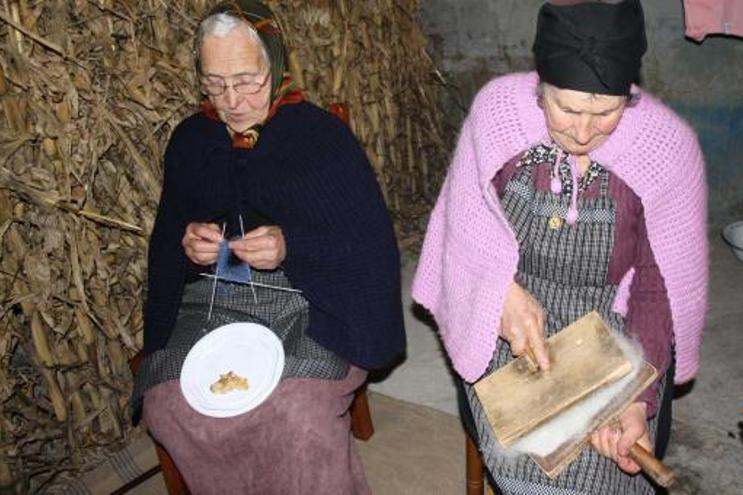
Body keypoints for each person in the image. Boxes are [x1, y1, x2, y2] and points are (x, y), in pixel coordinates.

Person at [413, 0, 708, 493]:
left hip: (610, 323)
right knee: (530, 467)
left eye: (605, 112)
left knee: (606, 472)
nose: (584, 130)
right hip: (505, 314)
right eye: (567, 108)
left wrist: (637, 399)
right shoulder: (497, 111)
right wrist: (499, 293)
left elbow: (659, 290)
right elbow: (462, 229)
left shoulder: (668, 147)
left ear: (628, 96)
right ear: (539, 85)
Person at [130, 1, 405, 493]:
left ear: (274, 66)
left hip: (313, 301)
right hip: (216, 302)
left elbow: (368, 248)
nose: (232, 99)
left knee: (296, 413)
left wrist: (290, 246)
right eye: (214, 83)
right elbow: (167, 245)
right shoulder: (191, 141)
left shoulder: (321, 139)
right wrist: (187, 243)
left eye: (247, 80)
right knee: (171, 402)